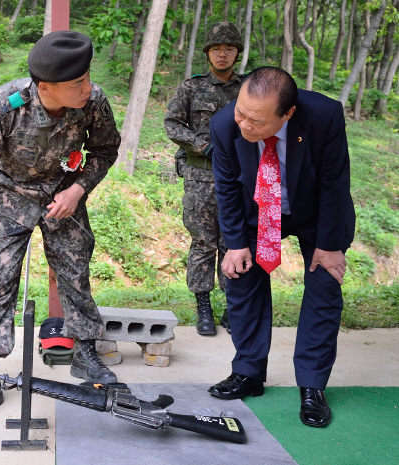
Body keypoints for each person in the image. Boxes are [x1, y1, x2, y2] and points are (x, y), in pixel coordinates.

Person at [0, 31, 121, 425]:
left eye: (87, 77)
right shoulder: (4, 106)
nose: (88, 87)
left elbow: (105, 149)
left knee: (76, 274)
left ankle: (85, 353)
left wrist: (78, 189)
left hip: (65, 194)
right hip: (14, 195)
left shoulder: (92, 101)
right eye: (77, 83)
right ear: (45, 87)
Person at [208, 67, 356, 427]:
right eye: (241, 112)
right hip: (256, 209)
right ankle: (248, 373)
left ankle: (312, 386)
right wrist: (236, 245)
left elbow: (336, 184)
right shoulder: (225, 123)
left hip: (315, 211)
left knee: (324, 288)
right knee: (242, 281)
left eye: (256, 121)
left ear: (287, 113)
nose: (244, 125)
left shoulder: (324, 116)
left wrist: (330, 245)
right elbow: (226, 188)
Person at [164, 22, 245, 336]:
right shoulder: (191, 87)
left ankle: (232, 308)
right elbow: (173, 124)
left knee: (233, 242)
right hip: (201, 177)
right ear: (208, 53)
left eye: (228, 49)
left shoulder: (248, 88)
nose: (222, 54)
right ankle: (203, 309)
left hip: (238, 178)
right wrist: (204, 147)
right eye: (216, 49)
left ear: (237, 52)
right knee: (203, 243)